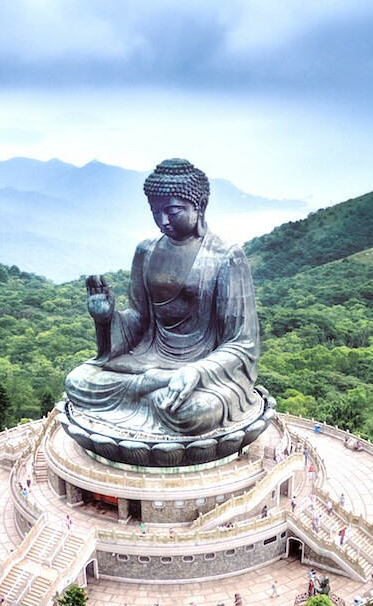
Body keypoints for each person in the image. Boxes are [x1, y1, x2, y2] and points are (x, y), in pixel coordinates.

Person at [64, 159, 261, 438]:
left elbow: (242, 342)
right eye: (155, 212)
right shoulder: (146, 251)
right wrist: (107, 319)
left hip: (202, 370)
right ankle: (150, 386)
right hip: (147, 359)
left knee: (193, 412)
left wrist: (197, 372)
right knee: (78, 381)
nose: (163, 221)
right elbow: (140, 319)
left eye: (172, 211)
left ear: (200, 206)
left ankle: (150, 389)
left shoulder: (225, 256)